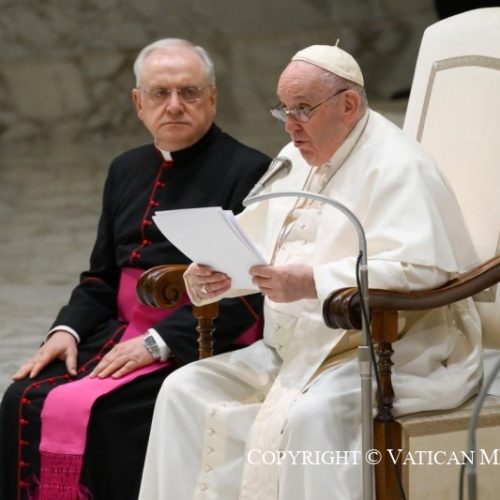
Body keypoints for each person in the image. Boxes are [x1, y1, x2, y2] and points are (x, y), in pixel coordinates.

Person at [139, 44, 482, 500]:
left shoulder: (400, 166)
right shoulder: (297, 154)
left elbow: (420, 269)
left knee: (310, 415)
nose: (290, 125)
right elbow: (253, 238)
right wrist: (214, 274)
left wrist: (313, 283)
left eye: (302, 109)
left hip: (388, 347)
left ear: (348, 105)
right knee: (183, 390)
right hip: (293, 348)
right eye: (283, 109)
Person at [0, 38, 270, 500]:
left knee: (111, 413)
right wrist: (65, 330)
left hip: (199, 336)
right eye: (160, 93)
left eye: (189, 92)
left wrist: (158, 342)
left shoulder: (249, 170)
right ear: (138, 103)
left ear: (212, 98)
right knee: (21, 397)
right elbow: (101, 276)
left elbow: (250, 293)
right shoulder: (125, 168)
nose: (174, 105)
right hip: (118, 331)